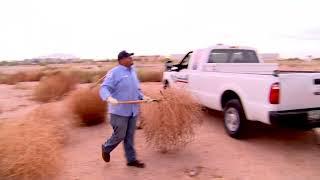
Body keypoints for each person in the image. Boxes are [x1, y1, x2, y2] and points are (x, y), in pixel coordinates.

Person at [99, 50, 151, 168]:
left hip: (133, 111)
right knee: (120, 135)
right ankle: (106, 147)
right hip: (118, 112)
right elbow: (104, 88)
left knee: (130, 136)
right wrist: (108, 98)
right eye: (129, 57)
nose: (131, 59)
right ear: (122, 60)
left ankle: (131, 160)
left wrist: (143, 97)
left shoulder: (133, 72)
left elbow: (136, 90)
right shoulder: (114, 73)